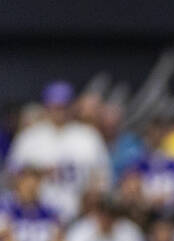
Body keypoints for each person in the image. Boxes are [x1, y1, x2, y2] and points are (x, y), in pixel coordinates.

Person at [5, 81, 111, 221]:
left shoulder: (89, 137)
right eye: (55, 106)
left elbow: (103, 177)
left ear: (72, 107)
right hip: (37, 219)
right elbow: (11, 178)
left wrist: (92, 201)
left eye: (63, 106)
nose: (59, 111)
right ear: (46, 106)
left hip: (80, 216)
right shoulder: (29, 138)